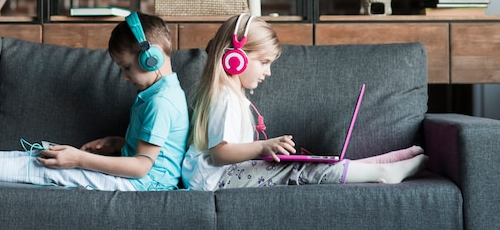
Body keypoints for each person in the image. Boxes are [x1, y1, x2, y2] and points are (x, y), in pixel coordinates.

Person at [0, 12, 189, 191]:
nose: (123, 77)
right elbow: (150, 151)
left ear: (149, 58)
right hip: (142, 180)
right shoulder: (158, 93)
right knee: (42, 157)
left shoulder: (161, 102)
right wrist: (119, 143)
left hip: (143, 186)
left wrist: (80, 159)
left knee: (48, 168)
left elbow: (142, 166)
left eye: (126, 67)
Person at [181, 13, 428, 190]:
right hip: (212, 180)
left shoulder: (231, 95)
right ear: (236, 60)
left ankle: (381, 164)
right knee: (298, 170)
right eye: (264, 62)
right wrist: (262, 148)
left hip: (216, 176)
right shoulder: (224, 97)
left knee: (307, 163)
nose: (267, 72)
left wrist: (263, 151)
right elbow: (220, 153)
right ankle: (383, 173)